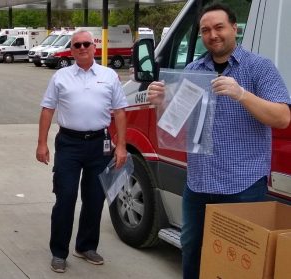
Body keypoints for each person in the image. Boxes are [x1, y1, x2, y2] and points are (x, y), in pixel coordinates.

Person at [147, 4, 291, 279]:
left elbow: (282, 117)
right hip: (199, 182)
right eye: (206, 30)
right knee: (191, 248)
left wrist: (241, 94)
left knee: (240, 258)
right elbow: (178, 122)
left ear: (234, 29)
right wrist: (161, 103)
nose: (213, 35)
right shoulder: (194, 68)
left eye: (219, 27)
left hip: (243, 185)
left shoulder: (259, 68)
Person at [36, 28, 127, 273]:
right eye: (77, 45)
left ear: (94, 47)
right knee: (65, 197)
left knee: (95, 199)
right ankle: (58, 252)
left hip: (100, 145)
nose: (82, 48)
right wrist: (42, 143)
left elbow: (119, 112)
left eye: (86, 44)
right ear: (72, 50)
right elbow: (47, 109)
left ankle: (86, 246)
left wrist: (121, 146)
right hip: (69, 144)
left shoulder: (109, 76)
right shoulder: (60, 76)